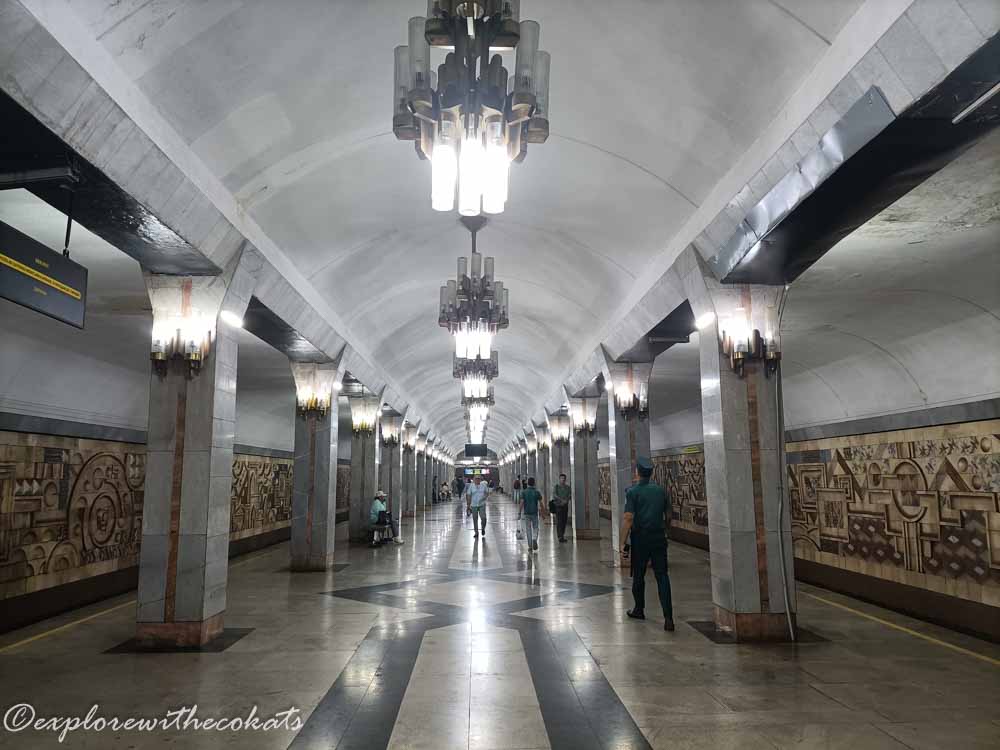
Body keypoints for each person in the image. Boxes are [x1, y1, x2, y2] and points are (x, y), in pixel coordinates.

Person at [620, 457, 674, 631]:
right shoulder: (661, 491)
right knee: (662, 576)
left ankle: (639, 609)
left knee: (638, 575)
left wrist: (622, 543)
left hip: (641, 539)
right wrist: (665, 531)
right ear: (651, 473)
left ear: (637, 472)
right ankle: (668, 618)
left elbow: (628, 518)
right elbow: (669, 516)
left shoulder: (633, 492)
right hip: (659, 538)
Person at [518, 477, 547, 552]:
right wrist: (543, 514)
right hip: (534, 512)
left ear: (527, 483)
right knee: (535, 527)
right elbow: (541, 504)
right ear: (534, 483)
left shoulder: (524, 492)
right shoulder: (537, 492)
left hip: (527, 513)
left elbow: (521, 503)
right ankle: (534, 539)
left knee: (528, 529)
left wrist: (519, 513)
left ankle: (530, 546)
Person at [553, 473, 571, 542]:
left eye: (564, 479)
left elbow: (569, 495)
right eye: (561, 478)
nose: (562, 480)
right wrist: (561, 500)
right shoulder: (556, 487)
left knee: (564, 521)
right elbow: (555, 495)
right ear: (559, 479)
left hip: (565, 506)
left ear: (565, 479)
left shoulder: (568, 488)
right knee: (559, 521)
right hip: (558, 506)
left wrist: (566, 501)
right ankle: (560, 536)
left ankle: (562, 534)